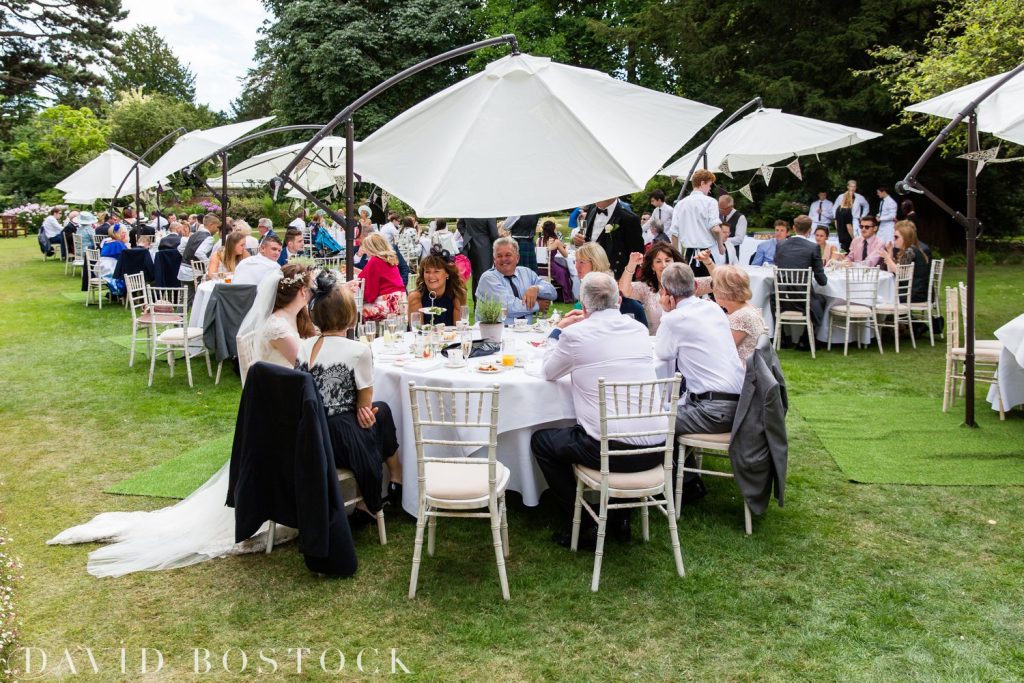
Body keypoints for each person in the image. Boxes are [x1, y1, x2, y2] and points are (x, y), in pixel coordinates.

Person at [531, 271, 666, 549]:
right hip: (656, 447)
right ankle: (621, 518)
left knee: (542, 442)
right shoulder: (638, 330)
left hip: (610, 454)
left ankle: (580, 525)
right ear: (618, 300)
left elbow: (548, 372)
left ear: (583, 304)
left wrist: (557, 332)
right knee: (618, 422)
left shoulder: (576, 336)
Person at [299, 271, 403, 516]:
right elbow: (364, 406)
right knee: (382, 411)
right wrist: (362, 411)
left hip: (308, 433)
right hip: (338, 439)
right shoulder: (358, 350)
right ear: (350, 314)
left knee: (379, 412)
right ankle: (383, 490)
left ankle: (393, 481)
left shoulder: (304, 346)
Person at [654, 262, 745, 500]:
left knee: (648, 420)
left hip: (713, 411)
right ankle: (689, 480)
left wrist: (666, 313)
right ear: (695, 285)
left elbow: (662, 353)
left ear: (665, 292)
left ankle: (673, 485)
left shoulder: (675, 319)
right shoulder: (712, 308)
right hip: (743, 406)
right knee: (670, 409)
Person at [475, 237, 556, 324]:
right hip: (496, 333)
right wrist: (538, 305)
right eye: (499, 256)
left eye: (508, 255)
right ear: (494, 260)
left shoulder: (526, 273)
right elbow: (508, 307)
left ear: (517, 258)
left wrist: (536, 289)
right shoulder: (488, 278)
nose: (503, 259)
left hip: (526, 332)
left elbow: (553, 293)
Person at [774, 215, 828, 341]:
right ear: (810, 230)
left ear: (793, 228)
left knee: (772, 297)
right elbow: (822, 280)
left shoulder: (781, 245)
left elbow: (777, 265)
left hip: (782, 297)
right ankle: (807, 339)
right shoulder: (813, 247)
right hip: (803, 300)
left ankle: (783, 337)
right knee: (822, 299)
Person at [573, 242, 648, 327]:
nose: (576, 266)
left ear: (595, 262)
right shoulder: (587, 288)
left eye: (582, 262)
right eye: (576, 261)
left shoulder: (611, 295)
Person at [617, 243, 684, 334]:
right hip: (655, 342)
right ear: (652, 266)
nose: (664, 265)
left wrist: (709, 264)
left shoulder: (687, 284)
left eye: (668, 260)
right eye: (658, 261)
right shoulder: (646, 288)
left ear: (675, 263)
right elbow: (624, 289)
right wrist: (631, 264)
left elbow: (710, 284)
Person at [573, 197, 644, 277]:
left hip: (614, 276)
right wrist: (578, 242)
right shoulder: (591, 209)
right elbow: (582, 235)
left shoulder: (630, 219)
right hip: (588, 274)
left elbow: (637, 255)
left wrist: (626, 277)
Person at [711, 265, 767, 362]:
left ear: (722, 290)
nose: (712, 290)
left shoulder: (742, 316)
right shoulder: (746, 308)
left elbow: (722, 350)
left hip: (741, 372)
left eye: (713, 285)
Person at [669, 169, 719, 277]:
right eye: (709, 185)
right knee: (713, 287)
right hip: (708, 254)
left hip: (688, 255)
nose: (710, 189)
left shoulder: (680, 204)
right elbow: (716, 229)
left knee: (688, 289)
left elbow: (674, 234)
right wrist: (721, 245)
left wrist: (676, 257)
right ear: (702, 183)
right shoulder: (711, 202)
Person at [407, 246, 466, 327]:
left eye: (436, 271)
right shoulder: (415, 297)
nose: (431, 276)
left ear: (447, 273)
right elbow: (417, 331)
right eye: (427, 272)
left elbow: (460, 329)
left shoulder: (457, 294)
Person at [356, 233, 406, 321]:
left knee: (354, 312)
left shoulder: (374, 261)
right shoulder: (388, 259)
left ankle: (361, 333)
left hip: (387, 304)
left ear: (371, 248)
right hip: (401, 302)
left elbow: (371, 295)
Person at [881, 220, 930, 303]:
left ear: (905, 237)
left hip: (914, 293)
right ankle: (894, 315)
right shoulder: (911, 250)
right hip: (915, 292)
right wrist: (890, 253)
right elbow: (891, 271)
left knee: (882, 296)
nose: (894, 240)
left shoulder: (910, 251)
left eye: (896, 237)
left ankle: (893, 315)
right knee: (884, 294)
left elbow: (900, 273)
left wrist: (888, 258)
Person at [178, 213, 219, 297]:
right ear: (211, 225)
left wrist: (188, 257)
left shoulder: (194, 235)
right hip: (195, 273)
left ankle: (182, 310)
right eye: (217, 227)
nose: (217, 230)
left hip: (183, 269)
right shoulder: (209, 238)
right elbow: (199, 253)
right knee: (201, 295)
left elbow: (180, 248)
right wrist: (209, 264)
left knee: (184, 299)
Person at [456, 217, 499, 298]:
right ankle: (483, 304)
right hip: (485, 249)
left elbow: (460, 224)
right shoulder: (489, 212)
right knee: (485, 277)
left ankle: (477, 303)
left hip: (472, 248)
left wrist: (467, 237)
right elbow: (494, 234)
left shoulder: (469, 210)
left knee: (476, 278)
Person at [832, 179, 869, 246]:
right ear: (848, 187)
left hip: (855, 219)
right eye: (851, 186)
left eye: (854, 186)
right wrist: (836, 217)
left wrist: (863, 216)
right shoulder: (841, 197)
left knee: (856, 236)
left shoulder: (859, 197)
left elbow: (866, 206)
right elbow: (835, 208)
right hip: (843, 220)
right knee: (844, 236)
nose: (853, 188)